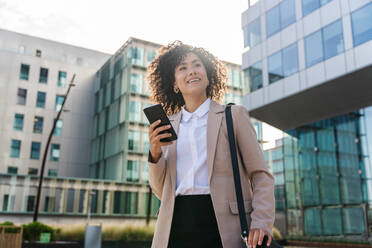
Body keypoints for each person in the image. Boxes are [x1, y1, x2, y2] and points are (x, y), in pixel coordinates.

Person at [146, 41, 275, 248]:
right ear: (175, 84)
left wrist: (261, 222)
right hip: (174, 225)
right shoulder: (168, 126)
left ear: (208, 75)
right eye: (183, 68)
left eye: (197, 64)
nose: (192, 71)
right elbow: (162, 191)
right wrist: (155, 155)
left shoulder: (233, 116)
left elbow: (261, 175)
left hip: (224, 226)